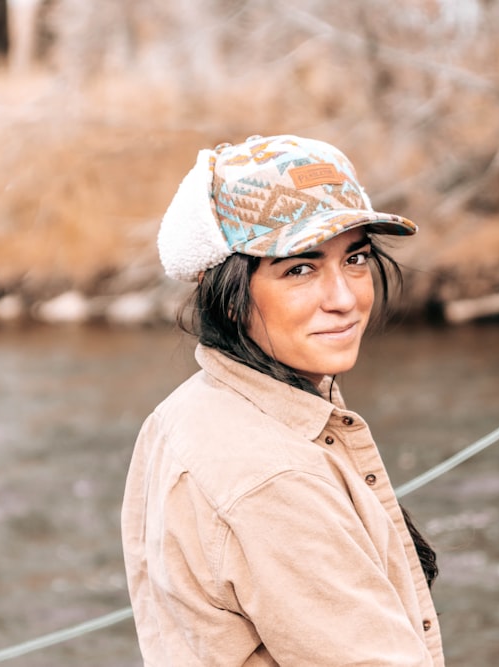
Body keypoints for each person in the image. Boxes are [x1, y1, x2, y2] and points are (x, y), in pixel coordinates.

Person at [121, 134, 444, 665]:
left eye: (356, 258)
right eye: (300, 268)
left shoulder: (184, 412)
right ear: (226, 290)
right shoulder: (274, 478)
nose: (344, 299)